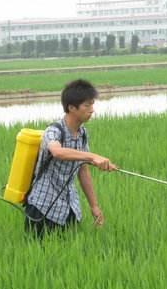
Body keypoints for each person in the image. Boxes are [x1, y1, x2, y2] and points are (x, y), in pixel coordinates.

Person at [24, 79, 117, 238]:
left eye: (92, 105)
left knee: (69, 250)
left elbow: (83, 170)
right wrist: (92, 156)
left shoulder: (82, 134)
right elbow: (57, 152)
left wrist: (94, 206)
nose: (92, 110)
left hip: (69, 206)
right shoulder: (53, 131)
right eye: (87, 105)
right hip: (42, 206)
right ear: (71, 108)